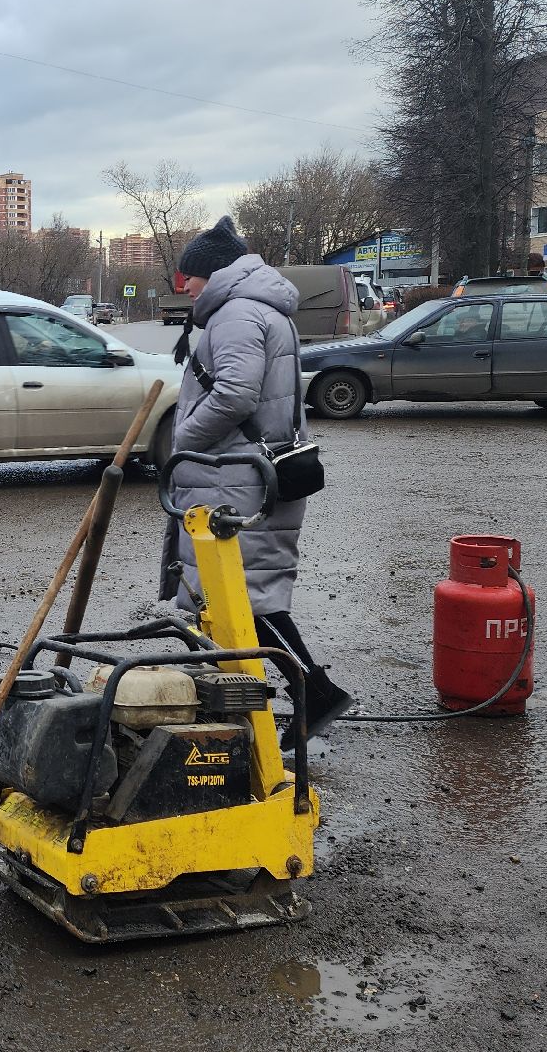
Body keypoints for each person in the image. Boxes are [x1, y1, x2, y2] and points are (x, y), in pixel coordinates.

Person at [164, 216, 354, 740]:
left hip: (235, 477)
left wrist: (182, 442)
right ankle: (241, 700)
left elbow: (235, 394)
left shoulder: (236, 315)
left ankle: (313, 692)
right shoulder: (261, 310)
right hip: (252, 471)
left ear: (211, 273)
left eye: (190, 277)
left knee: (246, 598)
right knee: (234, 598)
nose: (187, 288)